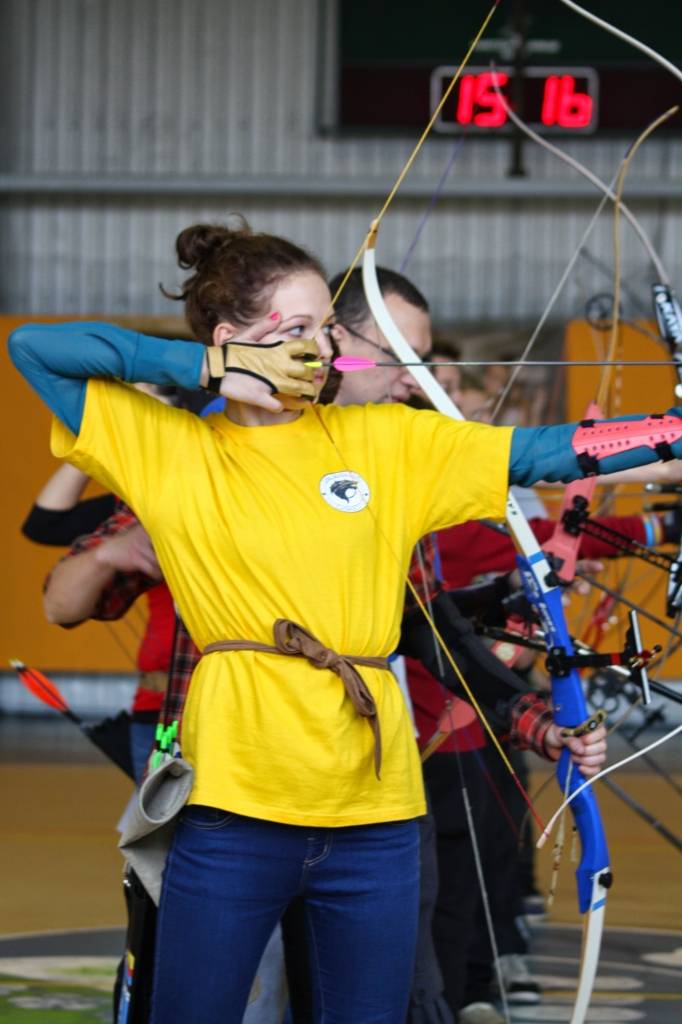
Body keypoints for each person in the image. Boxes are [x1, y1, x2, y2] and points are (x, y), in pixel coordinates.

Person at [12, 217, 671, 1024]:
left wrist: (666, 432)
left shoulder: (385, 437)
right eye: (292, 331)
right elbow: (37, 351)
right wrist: (210, 368)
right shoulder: (167, 446)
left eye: (326, 327)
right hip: (230, 810)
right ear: (231, 338)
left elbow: (544, 453)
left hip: (377, 816)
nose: (319, 347)